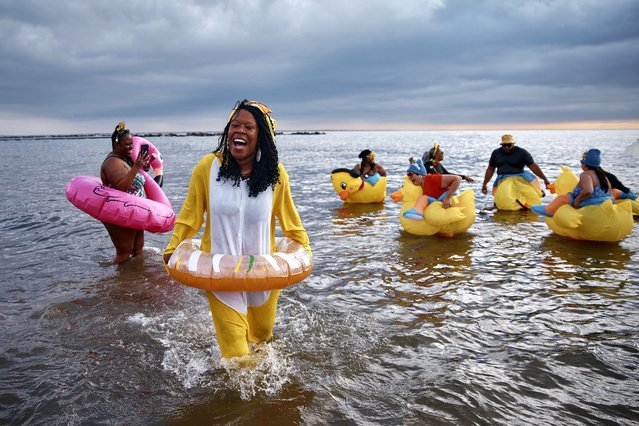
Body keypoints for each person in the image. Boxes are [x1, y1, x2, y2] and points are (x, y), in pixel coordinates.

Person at [162, 100, 310, 359]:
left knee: (262, 339)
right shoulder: (207, 168)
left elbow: (291, 221)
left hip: (263, 276)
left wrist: (304, 251)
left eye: (248, 127)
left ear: (261, 136)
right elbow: (189, 216)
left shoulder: (276, 176)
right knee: (238, 358)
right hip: (221, 276)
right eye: (234, 125)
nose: (239, 131)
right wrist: (173, 247)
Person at [100, 121, 149, 264]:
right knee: (124, 253)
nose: (131, 147)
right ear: (117, 145)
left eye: (131, 143)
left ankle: (132, 283)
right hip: (120, 213)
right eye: (127, 144)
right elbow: (122, 187)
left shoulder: (124, 160)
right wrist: (136, 167)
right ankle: (115, 283)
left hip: (133, 212)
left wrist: (139, 166)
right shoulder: (112, 163)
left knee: (137, 250)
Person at [531, 149, 612, 217]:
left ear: (585, 165)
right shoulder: (603, 175)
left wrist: (577, 200)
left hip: (588, 202)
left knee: (563, 198)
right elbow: (609, 189)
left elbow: (588, 190)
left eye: (582, 163)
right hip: (604, 200)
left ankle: (548, 210)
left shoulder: (586, 174)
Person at [481, 134, 550, 195]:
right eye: (504, 145)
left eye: (509, 145)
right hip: (503, 180)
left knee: (529, 194)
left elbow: (533, 166)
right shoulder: (496, 153)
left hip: (520, 178)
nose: (506, 147)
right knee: (504, 197)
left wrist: (545, 179)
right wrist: (484, 184)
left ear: (513, 144)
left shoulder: (522, 152)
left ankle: (538, 192)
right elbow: (490, 169)